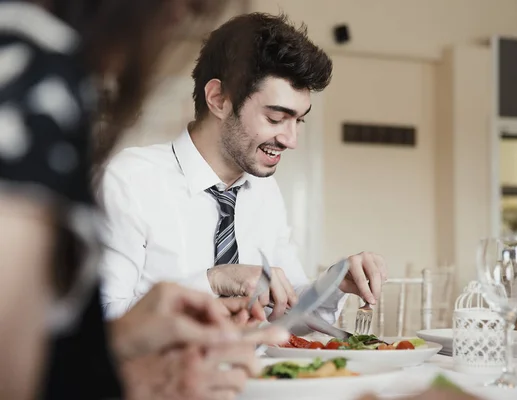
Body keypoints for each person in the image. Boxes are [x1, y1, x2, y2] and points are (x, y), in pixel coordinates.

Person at [0, 1, 286, 400]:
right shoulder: (32, 69)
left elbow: (53, 351)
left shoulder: (268, 195)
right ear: (218, 99)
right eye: (186, 4)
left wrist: (129, 373)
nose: (179, 19)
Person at [98, 12, 388, 323]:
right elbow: (102, 321)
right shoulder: (128, 180)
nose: (291, 140)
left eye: (299, 120)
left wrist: (333, 284)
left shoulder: (264, 190)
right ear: (218, 99)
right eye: (275, 118)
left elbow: (287, 310)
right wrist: (213, 281)